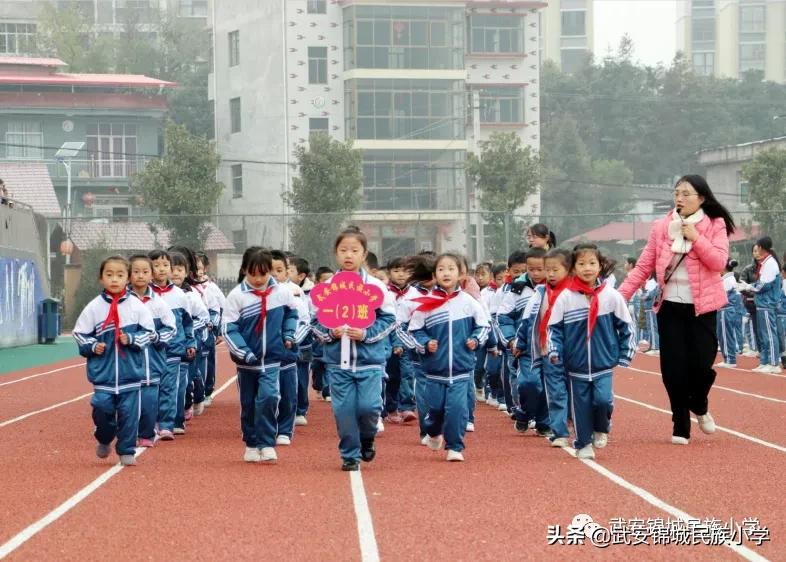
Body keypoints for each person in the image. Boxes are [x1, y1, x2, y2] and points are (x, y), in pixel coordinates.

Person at [619, 174, 734, 446]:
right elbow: (644, 265)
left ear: (701, 198)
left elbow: (718, 262)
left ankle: (700, 403)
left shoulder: (714, 225)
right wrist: (619, 296)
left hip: (702, 306)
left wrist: (696, 238)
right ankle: (680, 421)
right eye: (676, 193)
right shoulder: (662, 226)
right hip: (669, 305)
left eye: (686, 193)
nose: (679, 198)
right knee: (673, 368)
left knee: (702, 365)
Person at [311, 228, 396, 471]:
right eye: (343, 250)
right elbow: (313, 321)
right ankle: (349, 454)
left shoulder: (377, 287)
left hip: (369, 361)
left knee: (369, 408)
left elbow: (389, 320)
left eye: (354, 250)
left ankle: (367, 437)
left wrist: (366, 334)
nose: (349, 255)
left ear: (364, 254)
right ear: (336, 254)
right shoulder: (326, 288)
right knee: (344, 411)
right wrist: (330, 332)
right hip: (338, 363)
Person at [547, 244, 634, 459]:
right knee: (580, 407)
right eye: (582, 264)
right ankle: (583, 443)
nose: (587, 268)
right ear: (573, 268)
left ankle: (602, 426)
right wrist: (555, 350)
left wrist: (625, 353)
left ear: (600, 265)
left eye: (592, 263)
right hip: (575, 365)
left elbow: (626, 326)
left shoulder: (611, 296)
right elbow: (553, 328)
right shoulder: (566, 298)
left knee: (603, 401)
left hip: (603, 364)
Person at [223, 247, 307, 463]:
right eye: (253, 274)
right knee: (249, 404)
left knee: (270, 397)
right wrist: (244, 353)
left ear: (270, 271)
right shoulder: (236, 296)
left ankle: (267, 442)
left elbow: (292, 314)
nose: (259, 279)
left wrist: (289, 334)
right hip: (247, 363)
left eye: (264, 273)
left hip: (272, 359)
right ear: (244, 270)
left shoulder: (282, 292)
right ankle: (251, 443)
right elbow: (229, 329)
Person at [73, 255, 155, 466]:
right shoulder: (94, 307)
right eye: (109, 275)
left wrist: (133, 338)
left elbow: (150, 333)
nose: (115, 280)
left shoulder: (137, 306)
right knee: (102, 410)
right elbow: (80, 333)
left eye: (120, 275)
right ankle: (104, 437)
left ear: (127, 278)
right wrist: (92, 346)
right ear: (101, 278)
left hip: (131, 375)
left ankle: (126, 450)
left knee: (129, 415)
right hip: (103, 376)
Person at [409, 253, 490, 462]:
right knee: (434, 410)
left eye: (451, 269)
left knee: (456, 410)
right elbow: (414, 331)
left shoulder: (469, 302)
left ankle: (455, 446)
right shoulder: (427, 304)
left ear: (460, 274)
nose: (446, 273)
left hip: (462, 370)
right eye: (441, 269)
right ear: (434, 275)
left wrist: (475, 339)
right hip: (435, 372)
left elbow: (484, 326)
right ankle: (433, 432)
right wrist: (426, 343)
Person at [128, 255, 177, 447]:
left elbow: (171, 327)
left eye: (145, 271)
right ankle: (128, 434)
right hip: (129, 366)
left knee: (149, 404)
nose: (140, 276)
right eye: (136, 272)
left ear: (151, 274)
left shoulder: (158, 303)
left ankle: (147, 434)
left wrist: (156, 337)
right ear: (128, 275)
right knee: (128, 404)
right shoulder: (122, 302)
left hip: (152, 365)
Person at [149, 250, 195, 441]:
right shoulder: (142, 294)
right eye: (157, 265)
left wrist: (190, 342)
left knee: (170, 388)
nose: (162, 269)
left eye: (165, 265)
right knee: (152, 388)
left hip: (174, 349)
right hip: (150, 351)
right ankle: (149, 423)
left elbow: (187, 322)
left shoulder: (180, 295)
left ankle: (167, 425)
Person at [394, 253, 438, 443]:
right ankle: (427, 430)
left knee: (442, 391)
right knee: (423, 390)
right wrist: (416, 345)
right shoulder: (410, 298)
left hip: (445, 353)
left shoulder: (447, 293)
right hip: (419, 355)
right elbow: (400, 326)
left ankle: (442, 426)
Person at [169, 250, 209, 433]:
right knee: (166, 384)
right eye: (171, 269)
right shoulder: (158, 295)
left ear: (187, 272)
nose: (175, 273)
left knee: (182, 383)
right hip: (164, 348)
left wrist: (189, 334)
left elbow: (203, 317)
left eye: (179, 269)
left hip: (186, 347)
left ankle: (180, 415)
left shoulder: (190, 295)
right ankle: (166, 419)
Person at [744, 238, 783, 374]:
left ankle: (774, 363)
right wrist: (749, 286)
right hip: (761, 304)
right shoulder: (765, 263)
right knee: (763, 334)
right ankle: (765, 361)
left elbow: (764, 286)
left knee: (769, 335)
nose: (756, 252)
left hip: (767, 303)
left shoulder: (770, 263)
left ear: (761, 247)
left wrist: (749, 286)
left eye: (757, 248)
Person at [715, 259, 741, 369]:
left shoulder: (726, 280)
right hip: (729, 310)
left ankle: (730, 359)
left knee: (725, 335)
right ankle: (728, 358)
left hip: (725, 310)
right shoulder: (730, 278)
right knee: (726, 335)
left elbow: (721, 297)